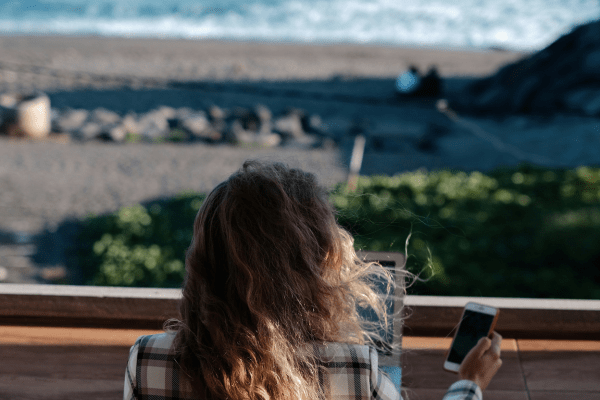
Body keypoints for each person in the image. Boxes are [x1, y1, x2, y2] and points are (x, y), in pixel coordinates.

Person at [124, 160, 503, 400]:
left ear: (204, 264)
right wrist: (469, 383)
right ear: (317, 266)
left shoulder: (148, 359)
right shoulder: (354, 370)